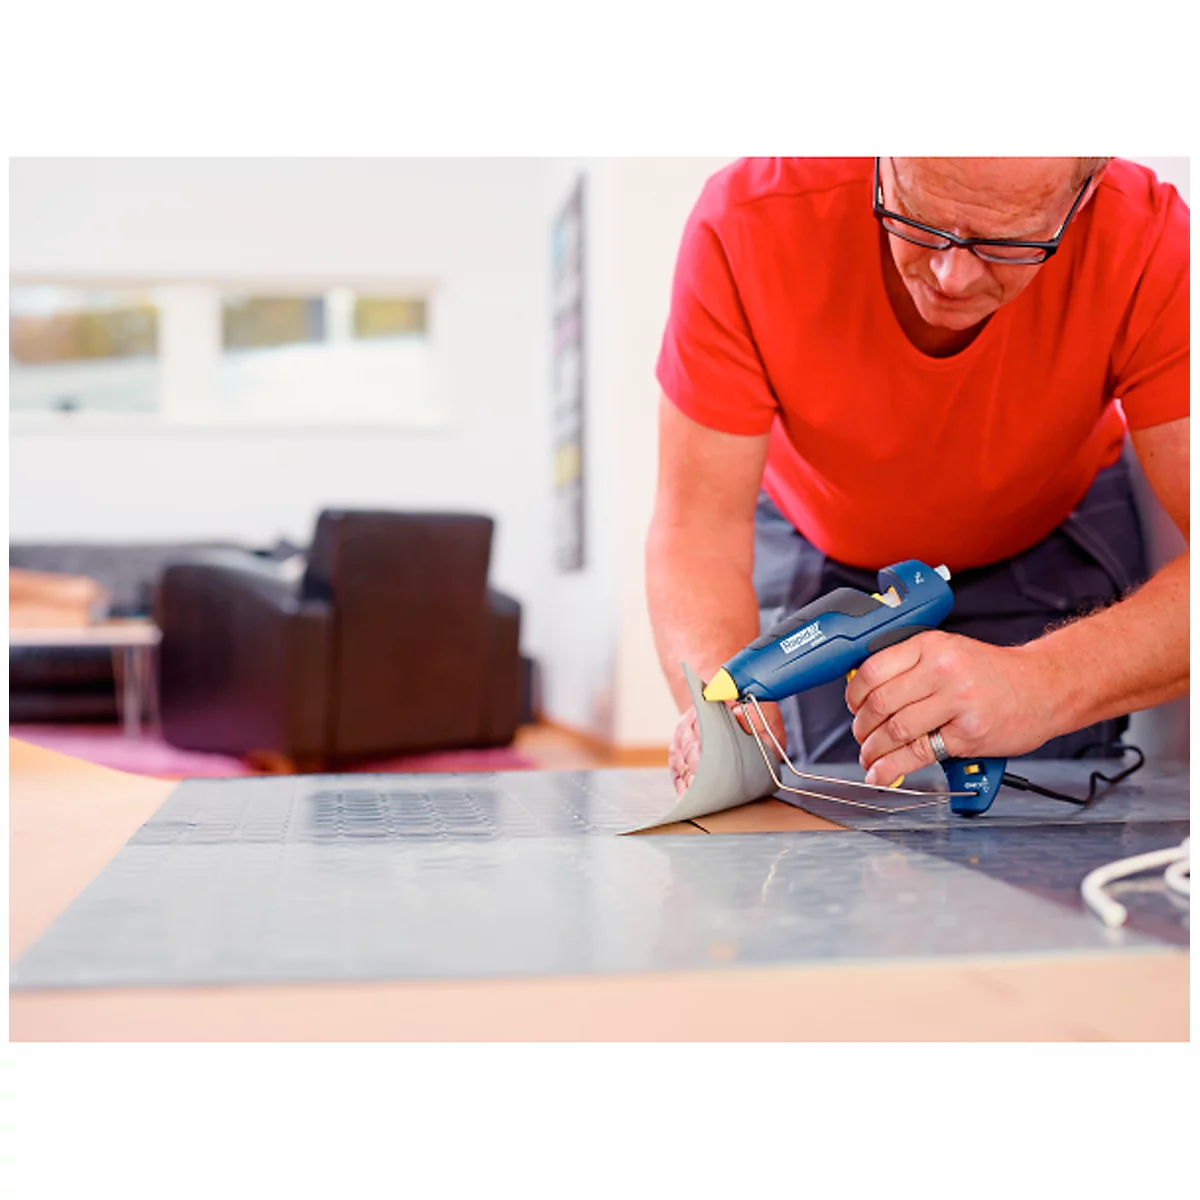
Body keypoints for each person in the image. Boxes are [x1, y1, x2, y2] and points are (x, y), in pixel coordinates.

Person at [647, 157, 1189, 797]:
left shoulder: (1149, 241)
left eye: (1009, 243)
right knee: (831, 795)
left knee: (1042, 804)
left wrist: (1045, 683)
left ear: (1086, 191)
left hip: (1050, 526)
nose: (951, 276)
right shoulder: (746, 223)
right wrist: (724, 721)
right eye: (917, 220)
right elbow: (698, 528)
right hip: (819, 539)